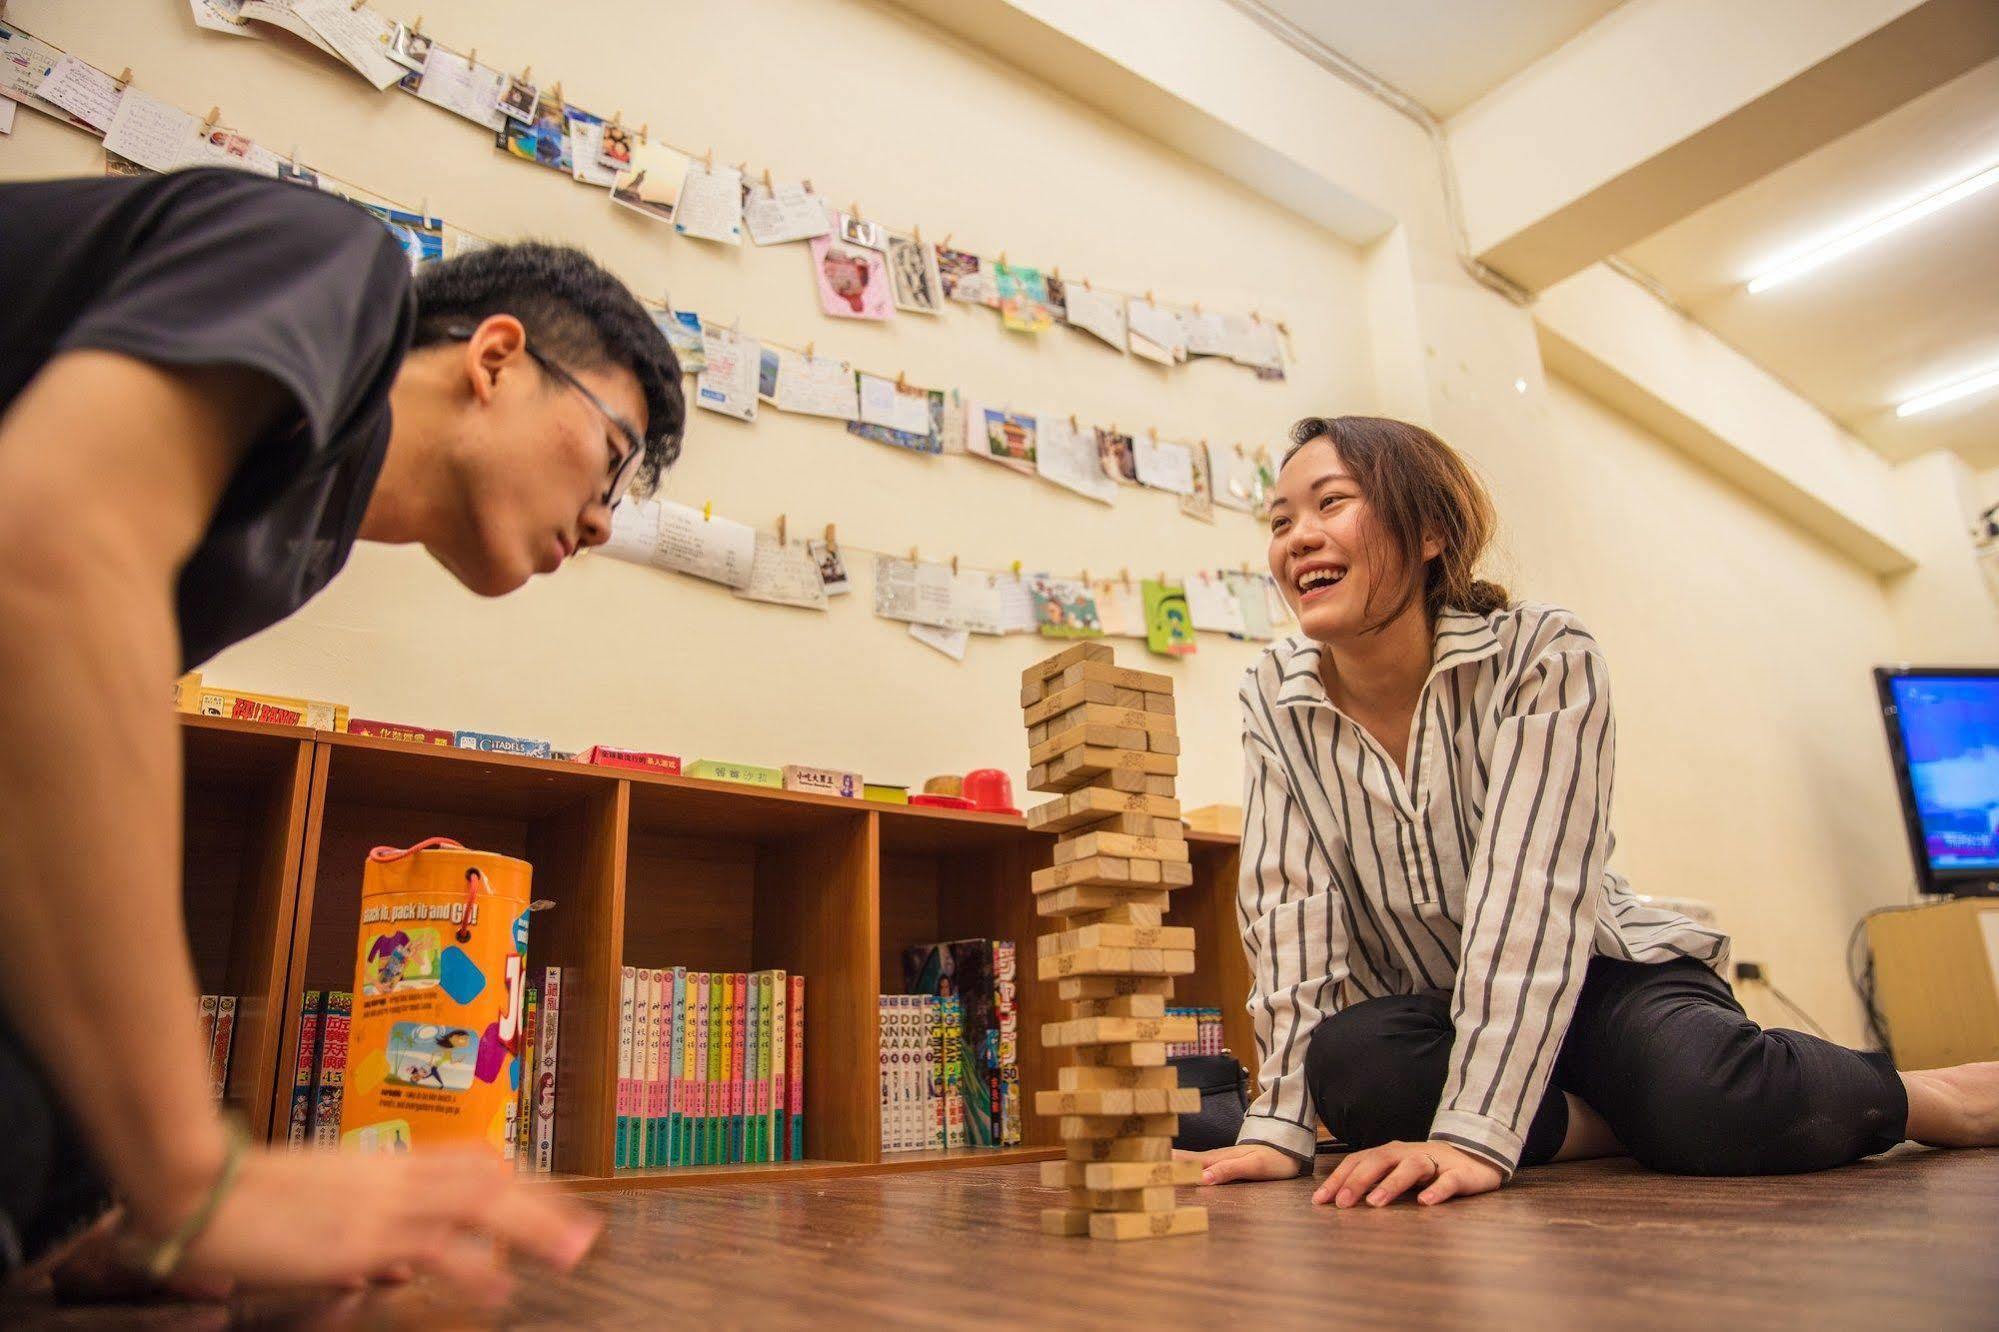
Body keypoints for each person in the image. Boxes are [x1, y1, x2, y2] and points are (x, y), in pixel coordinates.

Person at [0, 166, 685, 1297]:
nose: (607, 519)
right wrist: (191, 1183)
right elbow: (43, 557)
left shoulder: (300, 534)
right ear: (497, 358)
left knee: (64, 1126)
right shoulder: (334, 261)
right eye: (613, 453)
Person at [1184, 415, 1999, 1207]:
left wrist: (1474, 1135)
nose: (1297, 537)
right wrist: (1278, 1125)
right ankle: (1623, 1122)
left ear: (1428, 529)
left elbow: (1530, 895)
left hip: (1597, 978)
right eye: (1280, 519)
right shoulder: (1273, 692)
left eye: (1331, 503)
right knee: (1358, 1070)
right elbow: (1288, 909)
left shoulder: (1541, 653)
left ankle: (1935, 1096)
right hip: (1440, 1007)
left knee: (1703, 1099)